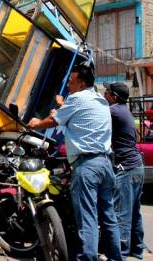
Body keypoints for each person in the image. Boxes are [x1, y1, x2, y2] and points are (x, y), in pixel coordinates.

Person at [28, 60, 122, 261]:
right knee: (108, 216)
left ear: (80, 83)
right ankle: (116, 258)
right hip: (105, 164)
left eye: (71, 82)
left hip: (87, 165)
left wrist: (36, 124)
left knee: (87, 216)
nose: (68, 86)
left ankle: (87, 258)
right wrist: (63, 107)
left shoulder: (76, 99)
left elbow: (54, 121)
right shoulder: (100, 100)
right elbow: (79, 117)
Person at [103, 82, 145, 260]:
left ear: (114, 96)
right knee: (134, 211)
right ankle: (137, 249)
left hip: (126, 168)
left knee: (121, 213)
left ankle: (120, 254)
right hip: (136, 166)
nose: (104, 94)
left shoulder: (113, 111)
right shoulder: (123, 110)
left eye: (106, 92)